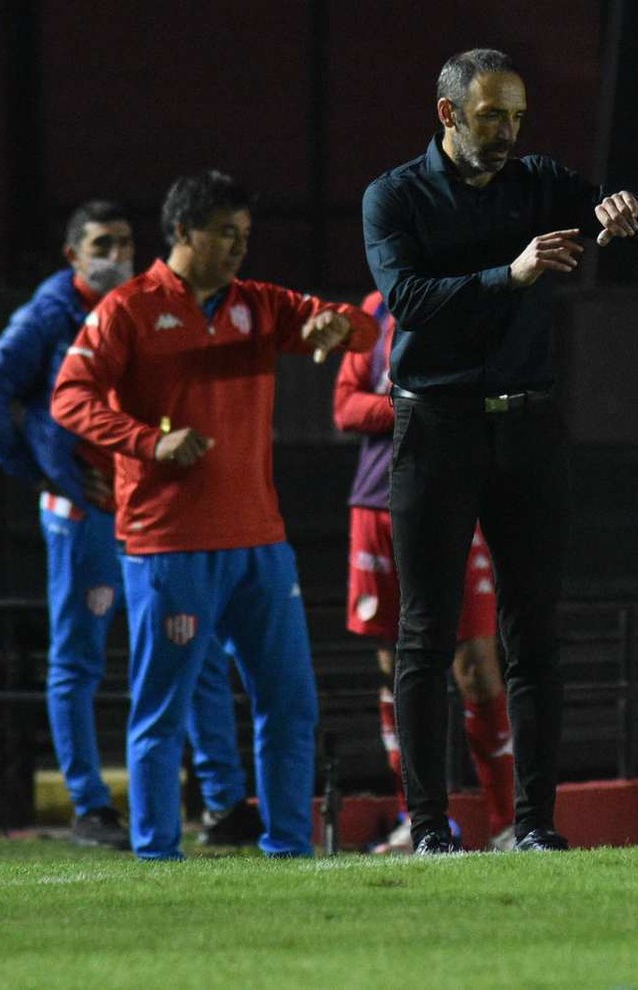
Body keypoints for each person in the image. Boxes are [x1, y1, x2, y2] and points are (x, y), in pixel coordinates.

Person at [361, 48, 638, 854]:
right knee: (424, 634)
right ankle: (428, 830)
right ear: (448, 114)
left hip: (526, 426)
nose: (509, 130)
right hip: (434, 426)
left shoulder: (538, 180)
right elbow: (407, 300)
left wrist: (624, 210)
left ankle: (533, 825)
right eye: (493, 115)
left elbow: (636, 220)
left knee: (535, 632)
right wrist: (510, 273)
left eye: (517, 115)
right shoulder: (393, 196)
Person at [53, 169, 379, 860]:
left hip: (260, 543)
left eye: (244, 236)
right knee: (161, 712)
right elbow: (69, 398)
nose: (237, 248)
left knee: (289, 705)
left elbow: (359, 328)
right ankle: (156, 854)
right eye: (224, 234)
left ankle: (289, 850)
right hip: (168, 545)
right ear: (180, 232)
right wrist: (148, 441)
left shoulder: (259, 305)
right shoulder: (127, 309)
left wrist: (337, 324)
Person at [0, 200, 260, 851]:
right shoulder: (48, 314)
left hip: (150, 509)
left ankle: (224, 803)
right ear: (72, 255)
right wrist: (50, 477)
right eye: (101, 243)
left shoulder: (147, 304)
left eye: (125, 242)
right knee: (80, 661)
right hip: (87, 516)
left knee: (197, 648)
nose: (116, 255)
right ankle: (90, 807)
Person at [334, 289, 515, 853]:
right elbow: (345, 406)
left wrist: (416, 403)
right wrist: (413, 405)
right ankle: (421, 821)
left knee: (477, 667)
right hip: (375, 502)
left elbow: (484, 396)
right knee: (396, 666)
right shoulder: (373, 310)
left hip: (452, 497)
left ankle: (510, 823)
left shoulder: (469, 300)